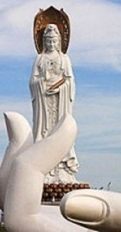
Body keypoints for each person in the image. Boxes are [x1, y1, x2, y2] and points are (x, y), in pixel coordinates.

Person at [29, 24, 79, 183]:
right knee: (45, 132)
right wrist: (42, 84)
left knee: (61, 131)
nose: (51, 44)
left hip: (60, 100)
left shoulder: (64, 59)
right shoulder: (40, 58)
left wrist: (60, 87)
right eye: (48, 42)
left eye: (54, 41)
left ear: (59, 42)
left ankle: (62, 169)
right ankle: (44, 169)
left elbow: (70, 81)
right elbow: (32, 81)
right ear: (44, 42)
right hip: (44, 101)